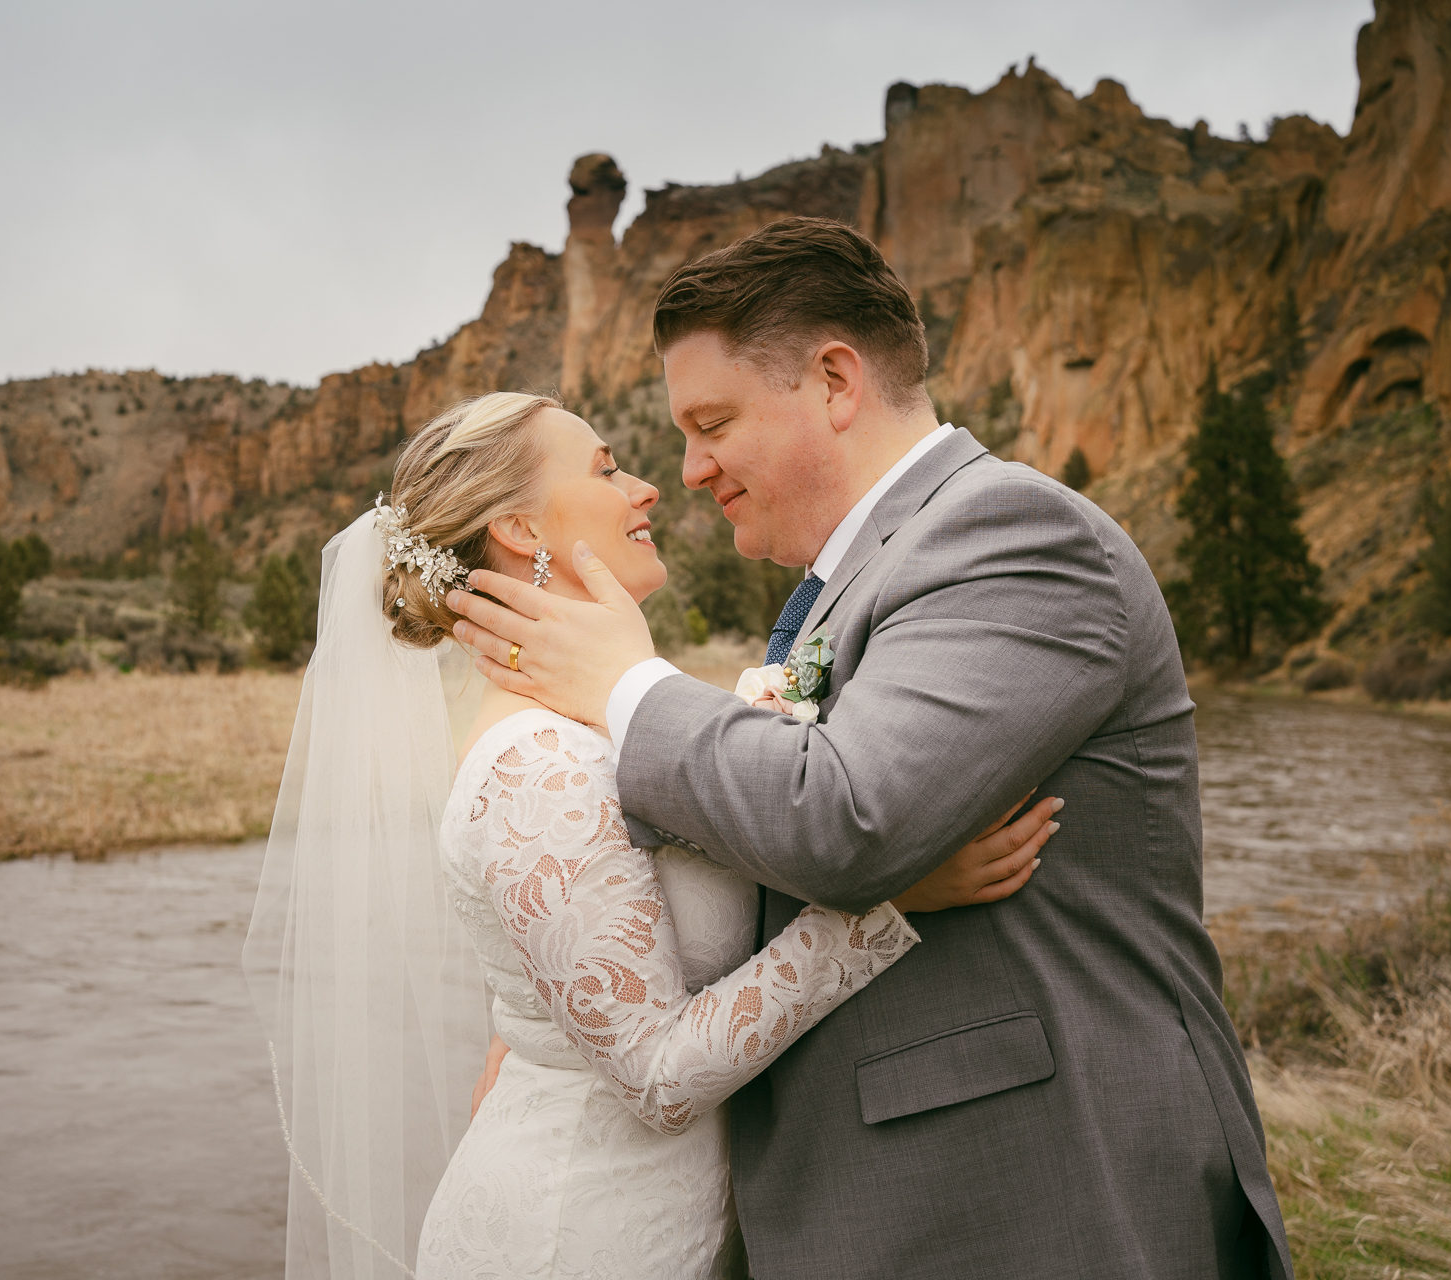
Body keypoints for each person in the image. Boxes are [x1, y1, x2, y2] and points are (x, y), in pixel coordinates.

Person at [448, 219, 1296, 1279]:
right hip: (869, 1202)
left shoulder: (1012, 534)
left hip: (1027, 1196)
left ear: (836, 381)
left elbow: (853, 818)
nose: (689, 468)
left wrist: (629, 682)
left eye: (712, 422)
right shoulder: (844, 588)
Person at [248, 389, 1058, 1280]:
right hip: (576, 1238)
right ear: (521, 528)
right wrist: (888, 903)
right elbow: (657, 1076)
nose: (649, 488)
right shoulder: (537, 767)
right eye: (606, 468)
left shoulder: (592, 727)